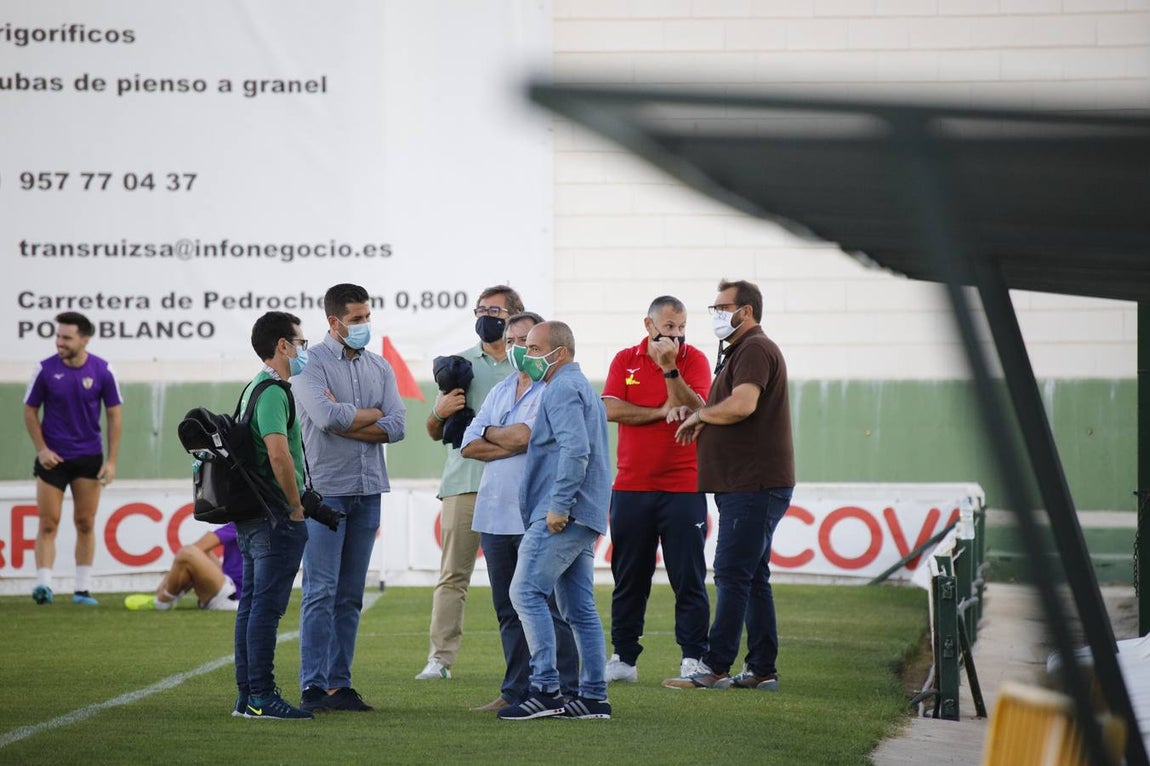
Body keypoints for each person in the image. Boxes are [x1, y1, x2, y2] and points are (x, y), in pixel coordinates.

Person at [662, 279, 795, 692]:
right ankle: (761, 669)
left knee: (732, 575)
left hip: (752, 483)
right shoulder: (741, 350)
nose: (716, 314)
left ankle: (715, 666)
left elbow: (742, 405)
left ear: (747, 311)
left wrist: (701, 418)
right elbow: (725, 407)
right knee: (753, 577)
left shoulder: (754, 348)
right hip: (748, 482)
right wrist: (699, 411)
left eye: (722, 307)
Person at [294, 283, 406, 714]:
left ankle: (340, 686)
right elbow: (324, 418)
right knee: (321, 591)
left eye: (367, 317)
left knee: (350, 594)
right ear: (334, 321)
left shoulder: (379, 367)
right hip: (326, 492)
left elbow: (397, 426)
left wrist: (355, 421)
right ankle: (313, 687)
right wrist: (372, 417)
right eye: (357, 319)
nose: (364, 325)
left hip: (367, 489)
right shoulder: (310, 365)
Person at [459, 312, 579, 713]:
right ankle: (515, 690)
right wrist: (503, 438)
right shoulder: (500, 389)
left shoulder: (554, 390)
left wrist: (494, 434)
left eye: (525, 342)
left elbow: (529, 437)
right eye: (511, 341)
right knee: (507, 610)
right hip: (494, 514)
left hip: (534, 513)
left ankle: (562, 688)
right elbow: (468, 442)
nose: (516, 350)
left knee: (545, 605)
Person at [500, 321, 612, 721]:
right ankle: (594, 697)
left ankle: (546, 690)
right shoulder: (580, 387)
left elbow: (575, 450)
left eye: (532, 347)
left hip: (563, 513)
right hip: (586, 512)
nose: (523, 354)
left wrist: (559, 505)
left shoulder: (562, 387)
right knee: (578, 608)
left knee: (525, 593)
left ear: (559, 353)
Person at [416, 285, 524, 681]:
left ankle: (531, 661)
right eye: (480, 309)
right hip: (464, 480)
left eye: (495, 310)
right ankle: (439, 659)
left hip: (515, 482)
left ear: (514, 314)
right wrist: (437, 410)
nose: (486, 316)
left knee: (520, 580)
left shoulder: (525, 364)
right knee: (453, 575)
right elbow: (433, 430)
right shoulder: (457, 364)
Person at [601, 296, 711, 683]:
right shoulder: (624, 359)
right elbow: (611, 409)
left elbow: (698, 408)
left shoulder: (693, 359)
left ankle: (694, 658)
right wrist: (660, 412)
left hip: (684, 486)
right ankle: (624, 658)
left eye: (681, 328)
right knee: (629, 576)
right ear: (649, 326)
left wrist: (669, 372)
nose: (677, 336)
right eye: (669, 328)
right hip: (631, 486)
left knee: (689, 577)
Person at [233, 311, 312, 720]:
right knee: (265, 609)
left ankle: (247, 696)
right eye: (300, 342)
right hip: (274, 513)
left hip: (253, 511)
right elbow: (279, 453)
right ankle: (261, 696)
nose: (303, 350)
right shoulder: (274, 391)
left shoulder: (252, 388)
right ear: (282, 345)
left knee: (251, 605)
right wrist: (295, 507)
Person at [23, 311, 123, 607]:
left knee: (85, 522)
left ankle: (82, 589)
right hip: (52, 458)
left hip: (89, 457)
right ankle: (43, 586)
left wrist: (112, 461)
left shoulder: (103, 370)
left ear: (84, 339)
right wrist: (42, 449)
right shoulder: (44, 370)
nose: (59, 342)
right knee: (48, 522)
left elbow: (114, 416)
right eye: (58, 336)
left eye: (66, 337)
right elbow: (30, 411)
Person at [124, 523, 243, 611]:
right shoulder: (251, 520)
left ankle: (162, 601)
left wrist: (167, 581)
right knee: (200, 554)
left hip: (234, 595)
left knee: (188, 553)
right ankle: (172, 593)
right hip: (238, 589)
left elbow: (198, 547)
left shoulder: (239, 522)